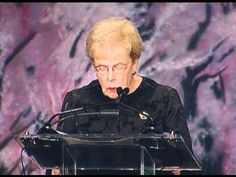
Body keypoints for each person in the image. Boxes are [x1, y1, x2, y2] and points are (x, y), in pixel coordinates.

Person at [51, 16, 194, 175]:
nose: (110, 77)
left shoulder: (164, 99)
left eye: (118, 67)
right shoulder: (77, 101)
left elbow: (188, 167)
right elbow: (57, 166)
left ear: (134, 64)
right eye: (102, 68)